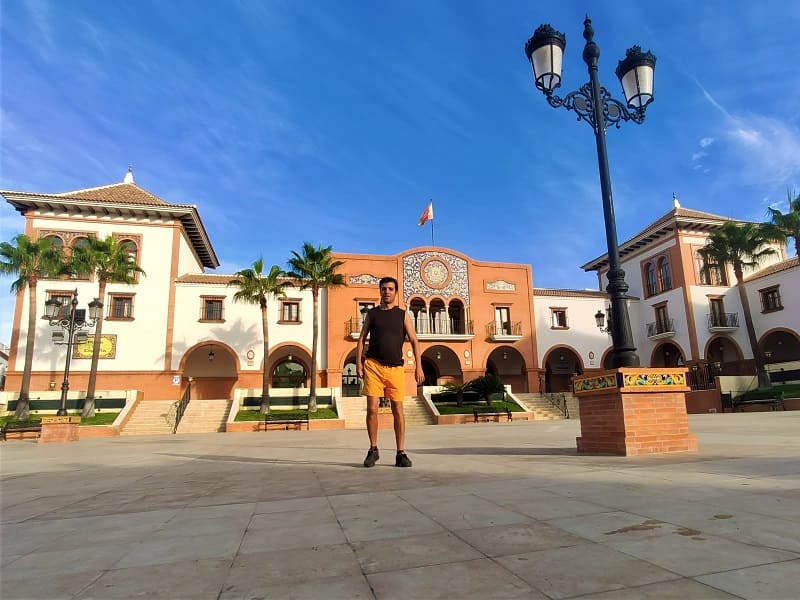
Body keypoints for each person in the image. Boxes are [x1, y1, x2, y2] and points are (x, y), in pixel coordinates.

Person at [356, 276, 424, 468]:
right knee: (372, 409)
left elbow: (414, 340)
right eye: (384, 289)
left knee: (398, 410)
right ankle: (373, 449)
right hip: (374, 366)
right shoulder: (372, 314)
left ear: (396, 292)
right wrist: (359, 364)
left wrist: (418, 366)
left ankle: (400, 453)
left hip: (396, 368)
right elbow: (361, 339)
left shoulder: (402, 315)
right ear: (380, 291)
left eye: (390, 289)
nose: (387, 292)